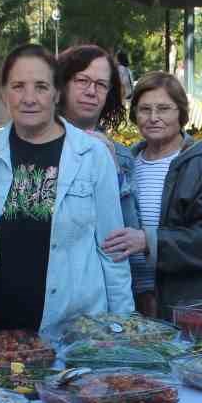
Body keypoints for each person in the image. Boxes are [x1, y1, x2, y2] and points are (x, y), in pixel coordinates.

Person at [0, 44, 132, 333]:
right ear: (3, 93)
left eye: (41, 87)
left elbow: (112, 251)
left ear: (56, 93)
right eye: (17, 86)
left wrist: (122, 329)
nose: (29, 98)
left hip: (75, 331)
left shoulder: (92, 155)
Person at [102, 72, 202, 318]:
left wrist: (148, 241)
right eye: (145, 109)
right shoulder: (126, 165)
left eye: (164, 109)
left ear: (181, 114)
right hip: (134, 303)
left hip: (190, 306)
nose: (154, 118)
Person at [57, 44, 142, 282]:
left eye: (101, 84)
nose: (91, 91)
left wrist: (115, 174)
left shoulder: (121, 156)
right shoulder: (35, 146)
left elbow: (128, 236)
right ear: (61, 84)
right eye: (82, 80)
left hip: (101, 289)